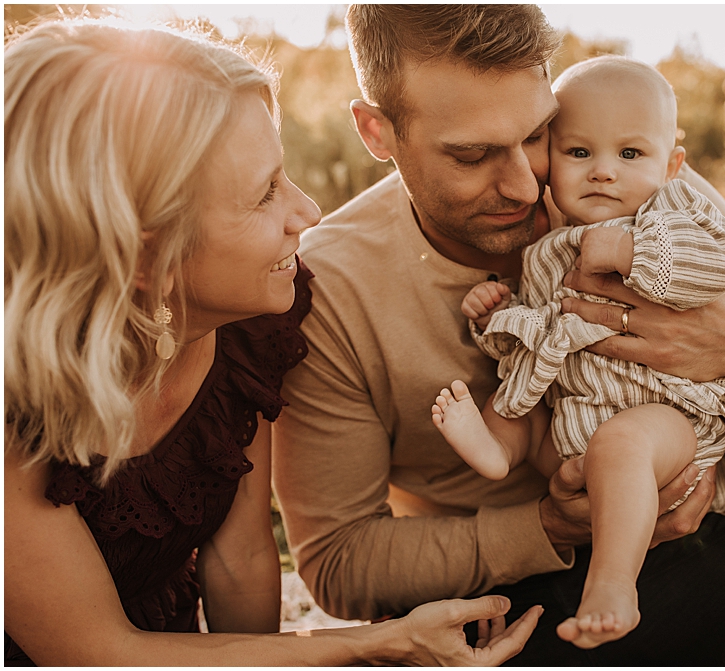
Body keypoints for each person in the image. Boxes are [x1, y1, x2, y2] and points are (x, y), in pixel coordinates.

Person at [272, 5, 725, 664]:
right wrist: (552, 526)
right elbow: (338, 561)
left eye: (537, 136)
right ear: (377, 131)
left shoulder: (641, 189)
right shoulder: (327, 287)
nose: (527, 184)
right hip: (522, 619)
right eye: (471, 155)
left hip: (719, 564)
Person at [3, 18, 539, 665]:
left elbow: (244, 557)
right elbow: (95, 652)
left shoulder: (246, 329)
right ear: (141, 256)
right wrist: (381, 641)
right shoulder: (15, 409)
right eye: (264, 195)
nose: (308, 212)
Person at [431, 56, 725, 648]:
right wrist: (496, 313)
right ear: (548, 161)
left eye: (630, 155)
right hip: (574, 416)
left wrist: (632, 253)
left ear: (672, 165)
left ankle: (613, 584)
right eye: (580, 153)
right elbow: (540, 331)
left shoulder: (672, 214)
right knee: (515, 406)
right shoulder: (545, 249)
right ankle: (489, 450)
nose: (604, 172)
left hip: (671, 412)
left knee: (624, 443)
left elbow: (716, 264)